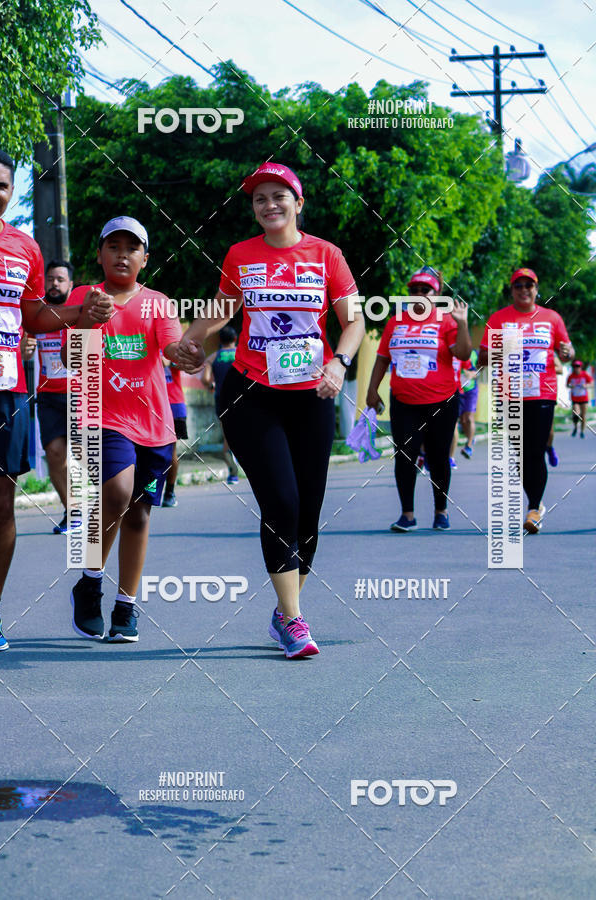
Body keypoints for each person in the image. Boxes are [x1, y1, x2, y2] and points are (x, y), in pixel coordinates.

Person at [177, 162, 365, 659]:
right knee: (281, 501)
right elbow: (221, 311)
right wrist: (187, 342)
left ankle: (284, 613)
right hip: (250, 394)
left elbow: (354, 322)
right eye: (259, 198)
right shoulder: (241, 255)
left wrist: (340, 363)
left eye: (278, 195)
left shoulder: (327, 255)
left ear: (298, 203)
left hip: (313, 394)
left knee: (308, 513)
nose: (269, 204)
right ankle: (296, 620)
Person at [0, 148, 112, 652]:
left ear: (12, 190)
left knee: (1, 505)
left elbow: (36, 317)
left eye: (2, 184)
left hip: (7, 389)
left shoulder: (26, 248)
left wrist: (80, 314)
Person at [62, 216, 184, 642]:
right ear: (100, 254)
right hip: (103, 418)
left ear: (144, 259)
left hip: (152, 422)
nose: (122, 254)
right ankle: (91, 581)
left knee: (139, 515)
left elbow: (170, 346)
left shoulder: (158, 303)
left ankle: (126, 606)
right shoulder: (84, 296)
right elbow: (71, 355)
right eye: (113, 246)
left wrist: (185, 352)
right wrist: (87, 319)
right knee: (115, 493)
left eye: (131, 248)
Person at [366, 266, 471, 532]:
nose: (419, 294)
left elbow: (463, 353)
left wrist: (463, 324)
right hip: (404, 401)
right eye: (414, 290)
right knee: (404, 456)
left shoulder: (446, 321)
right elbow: (382, 358)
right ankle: (407, 515)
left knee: (438, 458)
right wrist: (372, 389)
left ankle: (441, 511)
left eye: (426, 290)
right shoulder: (395, 322)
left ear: (437, 294)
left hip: (441, 402)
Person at [478, 267, 573, 534]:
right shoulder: (498, 319)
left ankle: (533, 509)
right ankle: (537, 503)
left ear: (536, 289)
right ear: (512, 290)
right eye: (518, 286)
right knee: (520, 454)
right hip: (510, 394)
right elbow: (481, 358)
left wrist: (567, 351)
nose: (524, 290)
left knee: (536, 450)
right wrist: (503, 349)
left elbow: (566, 351)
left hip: (542, 393)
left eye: (528, 285)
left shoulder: (551, 318)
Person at [32, 260, 75, 532]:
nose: (54, 284)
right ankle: (73, 511)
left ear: (71, 284)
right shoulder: (36, 316)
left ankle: (107, 503)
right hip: (47, 395)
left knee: (87, 454)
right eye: (50, 279)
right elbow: (22, 344)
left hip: (80, 394)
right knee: (54, 453)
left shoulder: (80, 314)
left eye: (60, 279)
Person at [201, 325, 240, 484]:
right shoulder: (241, 355)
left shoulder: (213, 357)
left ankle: (233, 474)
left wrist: (211, 386)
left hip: (222, 401)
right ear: (235, 339)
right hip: (243, 400)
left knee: (228, 437)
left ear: (220, 340)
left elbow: (205, 379)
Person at [162, 353, 189, 507]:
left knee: (170, 451)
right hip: (149, 404)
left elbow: (185, 364)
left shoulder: (171, 346)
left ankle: (170, 492)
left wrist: (169, 361)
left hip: (173, 404)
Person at [546, 354, 563, 466]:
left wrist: (542, 369)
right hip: (523, 396)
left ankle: (549, 448)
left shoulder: (546, 347)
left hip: (545, 394)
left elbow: (560, 369)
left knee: (549, 432)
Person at [567, 359, 592, 438]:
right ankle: (575, 427)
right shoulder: (571, 376)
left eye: (578, 366)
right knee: (576, 413)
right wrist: (571, 386)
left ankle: (582, 431)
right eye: (574, 366)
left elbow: (591, 383)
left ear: (581, 367)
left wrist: (586, 386)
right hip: (575, 398)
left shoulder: (585, 374)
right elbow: (567, 384)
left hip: (584, 398)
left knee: (583, 416)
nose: (576, 368)